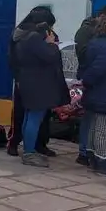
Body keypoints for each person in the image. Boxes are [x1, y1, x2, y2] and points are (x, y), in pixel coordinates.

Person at [14, 17, 71, 167]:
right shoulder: (34, 38)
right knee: (34, 117)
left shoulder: (23, 37)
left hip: (28, 82)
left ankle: (29, 150)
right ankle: (29, 153)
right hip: (37, 85)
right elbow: (50, 56)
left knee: (29, 116)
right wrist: (52, 44)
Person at [7, 7, 58, 156]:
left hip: (29, 79)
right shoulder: (30, 35)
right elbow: (13, 58)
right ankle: (21, 145)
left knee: (33, 115)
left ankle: (36, 145)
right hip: (32, 80)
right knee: (25, 115)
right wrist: (51, 45)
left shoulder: (26, 34)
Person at [74, 3, 106, 165]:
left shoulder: (95, 40)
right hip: (103, 90)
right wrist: (86, 80)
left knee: (93, 123)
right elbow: (98, 66)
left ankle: (88, 153)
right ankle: (99, 158)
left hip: (95, 88)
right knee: (101, 126)